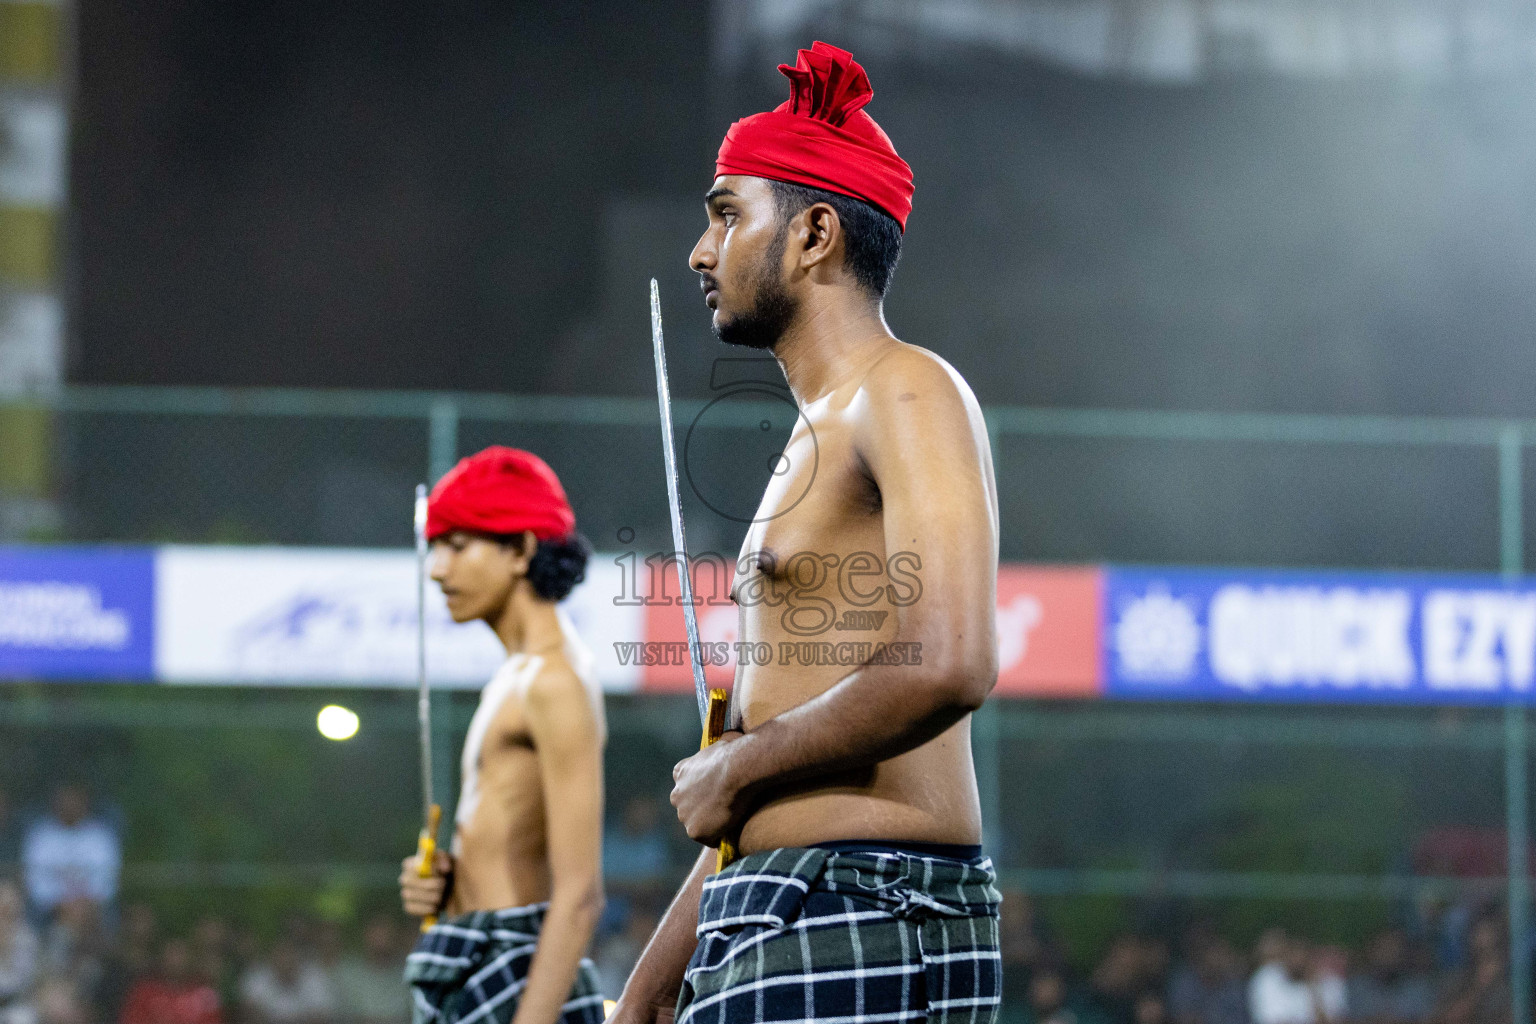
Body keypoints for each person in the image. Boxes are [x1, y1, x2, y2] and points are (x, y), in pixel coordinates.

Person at [612, 40, 1002, 1024]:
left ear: (815, 231)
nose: (702, 252)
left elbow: (952, 662)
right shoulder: (810, 434)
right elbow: (757, 785)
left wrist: (736, 764)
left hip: (869, 898)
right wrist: (649, 987)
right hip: (786, 904)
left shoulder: (907, 386)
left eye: (726, 214)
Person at [399, 447, 606, 1024]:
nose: (436, 569)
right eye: (436, 546)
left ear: (521, 550)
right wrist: (447, 886)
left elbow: (581, 893)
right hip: (478, 958)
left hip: (519, 973)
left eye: (458, 546)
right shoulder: (516, 676)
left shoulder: (555, 680)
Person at [21, 785, 119, 923]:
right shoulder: (41, 836)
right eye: (66, 798)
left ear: (85, 801)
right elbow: (34, 882)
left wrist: (85, 904)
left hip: (93, 912)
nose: (70, 804)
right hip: (49, 913)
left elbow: (107, 882)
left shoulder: (100, 836)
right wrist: (60, 905)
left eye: (75, 799)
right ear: (56, 801)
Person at [119, 937, 223, 1024]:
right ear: (162, 956)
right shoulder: (144, 992)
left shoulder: (206, 994)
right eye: (171, 953)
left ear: (191, 956)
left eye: (180, 953)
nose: (175, 960)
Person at [1249, 930, 1345, 1024]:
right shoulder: (1268, 978)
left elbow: (1330, 1020)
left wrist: (1314, 988)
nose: (1298, 960)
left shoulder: (1329, 981)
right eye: (1293, 953)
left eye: (1303, 953)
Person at [331, 915, 411, 1024]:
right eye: (376, 933)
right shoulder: (348, 973)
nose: (381, 940)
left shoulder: (406, 974)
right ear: (366, 935)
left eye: (385, 933)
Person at [238, 937, 335, 1024]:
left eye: (289, 955)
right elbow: (250, 1014)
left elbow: (321, 1017)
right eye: (280, 955)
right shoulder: (256, 978)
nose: (285, 960)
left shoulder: (315, 978)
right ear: (271, 957)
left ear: (298, 957)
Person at [0, 880, 38, 1024]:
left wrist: (6, 950)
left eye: (10, 910)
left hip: (16, 1005)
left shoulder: (26, 938)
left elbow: (21, 981)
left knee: (23, 1019)